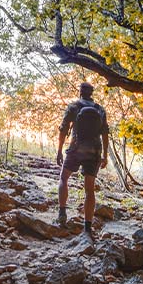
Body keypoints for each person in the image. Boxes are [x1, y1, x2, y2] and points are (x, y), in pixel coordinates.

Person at [57, 82, 108, 236]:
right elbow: (105, 134)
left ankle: (62, 213)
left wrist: (59, 150)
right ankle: (87, 227)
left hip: (76, 149)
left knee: (64, 178)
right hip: (94, 151)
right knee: (89, 190)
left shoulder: (73, 106)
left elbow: (64, 128)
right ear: (91, 93)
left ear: (80, 92)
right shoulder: (100, 110)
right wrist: (105, 155)